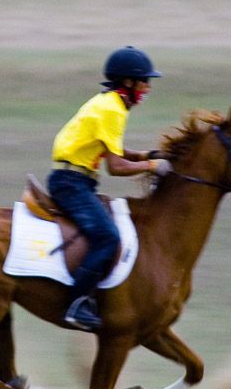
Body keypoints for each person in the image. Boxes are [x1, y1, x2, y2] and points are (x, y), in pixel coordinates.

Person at [48, 46, 171, 331]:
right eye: (144, 81)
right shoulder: (112, 109)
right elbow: (114, 167)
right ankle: (76, 304)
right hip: (72, 183)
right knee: (107, 236)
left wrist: (141, 156)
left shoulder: (106, 102)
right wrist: (153, 168)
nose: (148, 88)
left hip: (75, 180)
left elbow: (108, 147)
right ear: (127, 82)